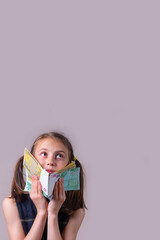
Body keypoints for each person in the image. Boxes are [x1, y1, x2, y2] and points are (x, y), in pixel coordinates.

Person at [2, 131, 86, 240]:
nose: (50, 161)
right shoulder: (11, 204)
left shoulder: (76, 211)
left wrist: (53, 214)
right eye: (44, 154)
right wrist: (42, 213)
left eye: (59, 156)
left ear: (69, 165)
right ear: (31, 159)